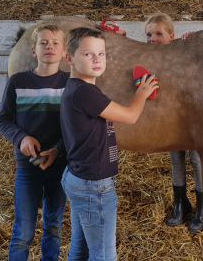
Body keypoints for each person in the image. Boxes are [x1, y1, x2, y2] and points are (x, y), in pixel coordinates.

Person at [60, 27, 158, 261]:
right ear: (69, 58)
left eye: (101, 54)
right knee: (103, 255)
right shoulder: (86, 93)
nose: (97, 59)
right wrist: (142, 93)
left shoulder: (77, 89)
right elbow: (130, 116)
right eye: (88, 54)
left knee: (80, 248)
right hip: (94, 185)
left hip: (77, 177)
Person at [0, 24, 69, 261]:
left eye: (55, 43)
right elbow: (4, 120)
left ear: (64, 51)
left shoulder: (71, 85)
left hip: (59, 165)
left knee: (54, 226)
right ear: (33, 51)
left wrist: (57, 150)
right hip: (27, 165)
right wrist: (21, 138)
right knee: (22, 231)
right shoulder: (17, 81)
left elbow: (75, 128)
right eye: (43, 43)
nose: (50, 47)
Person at [144, 13, 203, 232]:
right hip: (168, 117)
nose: (153, 38)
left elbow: (201, 65)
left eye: (158, 34)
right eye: (149, 34)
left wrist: (193, 43)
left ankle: (202, 207)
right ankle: (181, 203)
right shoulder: (149, 58)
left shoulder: (183, 51)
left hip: (190, 116)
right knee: (175, 158)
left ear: (172, 36)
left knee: (196, 159)